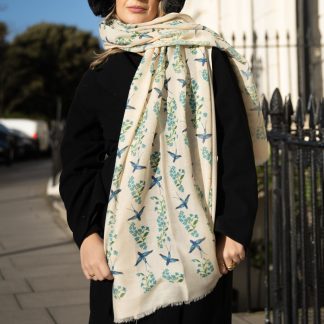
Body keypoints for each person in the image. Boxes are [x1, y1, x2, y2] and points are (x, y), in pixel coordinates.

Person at [59, 1, 268, 323]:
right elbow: (77, 163)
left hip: (202, 239)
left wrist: (234, 229)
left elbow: (234, 148)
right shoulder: (100, 72)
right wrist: (87, 236)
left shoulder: (207, 57)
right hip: (120, 248)